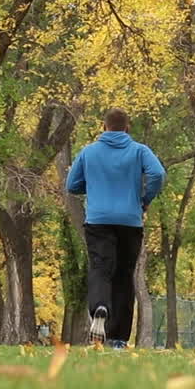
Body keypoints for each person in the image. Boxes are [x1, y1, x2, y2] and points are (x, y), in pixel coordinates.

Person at [65, 108, 165, 347]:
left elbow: (72, 185)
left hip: (98, 220)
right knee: (123, 276)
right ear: (127, 126)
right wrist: (144, 199)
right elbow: (158, 174)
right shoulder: (140, 151)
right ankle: (118, 338)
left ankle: (100, 306)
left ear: (104, 126)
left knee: (101, 268)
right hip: (130, 221)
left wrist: (93, 188)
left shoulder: (88, 152)